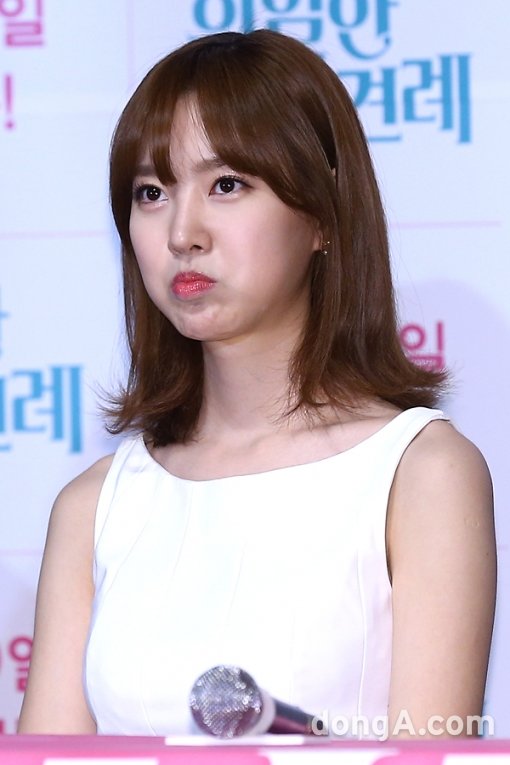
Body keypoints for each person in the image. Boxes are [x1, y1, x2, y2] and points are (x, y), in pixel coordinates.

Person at [18, 29, 496, 739]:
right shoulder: (95, 505)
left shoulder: (421, 473)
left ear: (321, 217)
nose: (183, 233)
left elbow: (432, 747)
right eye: (152, 192)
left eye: (227, 185)